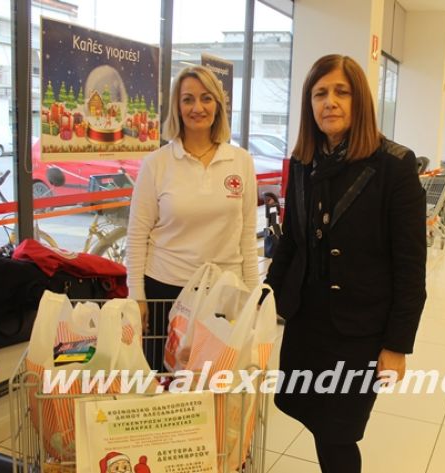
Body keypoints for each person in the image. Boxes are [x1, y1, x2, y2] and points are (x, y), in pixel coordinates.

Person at [264, 54, 427, 473]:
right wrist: (263, 302)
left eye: (342, 92)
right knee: (317, 423)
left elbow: (411, 266)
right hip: (307, 323)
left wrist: (397, 346)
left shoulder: (394, 165)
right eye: (320, 93)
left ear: (360, 101)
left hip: (360, 331)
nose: (330, 102)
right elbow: (291, 242)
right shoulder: (303, 162)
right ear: (309, 103)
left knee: (339, 432)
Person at [126, 65, 258, 370]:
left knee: (215, 380)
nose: (197, 107)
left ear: (218, 105)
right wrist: (137, 295)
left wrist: (252, 295)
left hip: (224, 292)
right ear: (177, 107)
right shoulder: (157, 164)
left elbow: (247, 235)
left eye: (206, 98)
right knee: (165, 382)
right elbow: (137, 235)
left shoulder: (241, 161)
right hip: (166, 290)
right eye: (188, 99)